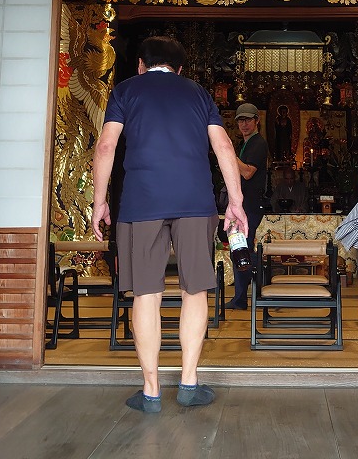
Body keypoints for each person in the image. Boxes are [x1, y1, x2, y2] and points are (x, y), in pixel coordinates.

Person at [91, 36, 246, 414]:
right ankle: (189, 383)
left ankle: (151, 391)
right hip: (195, 201)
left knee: (146, 294)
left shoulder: (125, 91)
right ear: (180, 69)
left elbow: (106, 146)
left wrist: (99, 201)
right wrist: (236, 201)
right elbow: (224, 147)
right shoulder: (198, 93)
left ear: (141, 65)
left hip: (141, 202)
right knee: (195, 290)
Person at [224, 102, 269, 310]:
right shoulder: (247, 144)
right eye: (240, 120)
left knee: (243, 248)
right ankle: (243, 295)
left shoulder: (258, 143)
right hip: (244, 205)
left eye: (248, 120)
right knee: (240, 248)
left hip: (251, 205)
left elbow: (248, 172)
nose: (244, 124)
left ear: (257, 121)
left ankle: (248, 293)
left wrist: (228, 154)